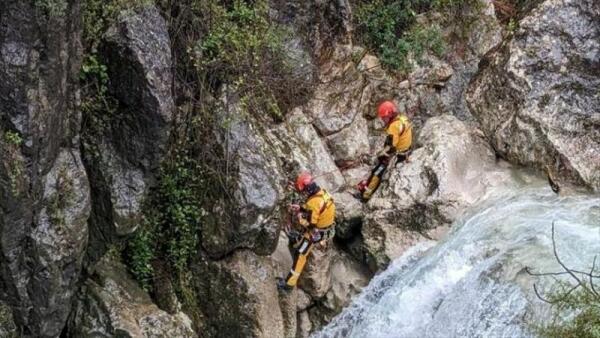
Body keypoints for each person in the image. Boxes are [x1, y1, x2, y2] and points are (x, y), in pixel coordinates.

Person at [277, 172, 336, 291]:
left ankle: (289, 284)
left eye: (303, 191)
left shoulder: (314, 203)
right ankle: (297, 239)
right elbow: (316, 208)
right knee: (301, 239)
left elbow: (311, 225)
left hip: (316, 233)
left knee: (300, 254)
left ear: (307, 189)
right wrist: (301, 208)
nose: (303, 193)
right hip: (328, 227)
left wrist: (300, 217)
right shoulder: (323, 193)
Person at [357, 100, 413, 202]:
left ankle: (365, 196)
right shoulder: (403, 119)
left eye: (384, 118)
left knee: (376, 173)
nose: (383, 120)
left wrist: (381, 156)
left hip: (398, 155)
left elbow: (390, 147)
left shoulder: (394, 126)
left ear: (390, 115)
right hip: (406, 151)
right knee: (378, 167)